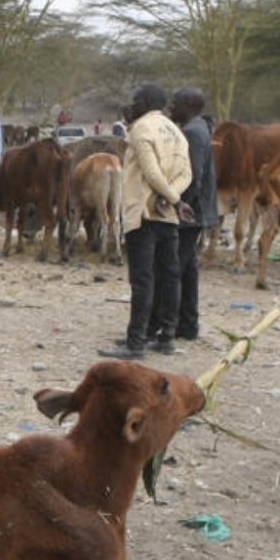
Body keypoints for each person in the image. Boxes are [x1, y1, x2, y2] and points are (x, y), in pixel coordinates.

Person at [102, 84, 190, 358]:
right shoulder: (176, 131)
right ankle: (166, 337)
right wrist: (173, 197)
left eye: (137, 99)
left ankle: (136, 342)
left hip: (142, 212)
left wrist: (171, 198)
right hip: (168, 216)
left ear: (148, 102)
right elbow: (186, 173)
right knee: (170, 277)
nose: (133, 103)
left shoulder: (141, 128)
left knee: (142, 280)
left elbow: (150, 171)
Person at [171, 88, 216, 342]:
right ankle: (187, 325)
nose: (172, 106)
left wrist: (180, 205)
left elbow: (193, 176)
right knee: (187, 268)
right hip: (197, 211)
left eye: (176, 102)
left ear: (189, 104)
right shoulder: (199, 128)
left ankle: (170, 323)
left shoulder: (192, 133)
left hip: (191, 212)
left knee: (174, 268)